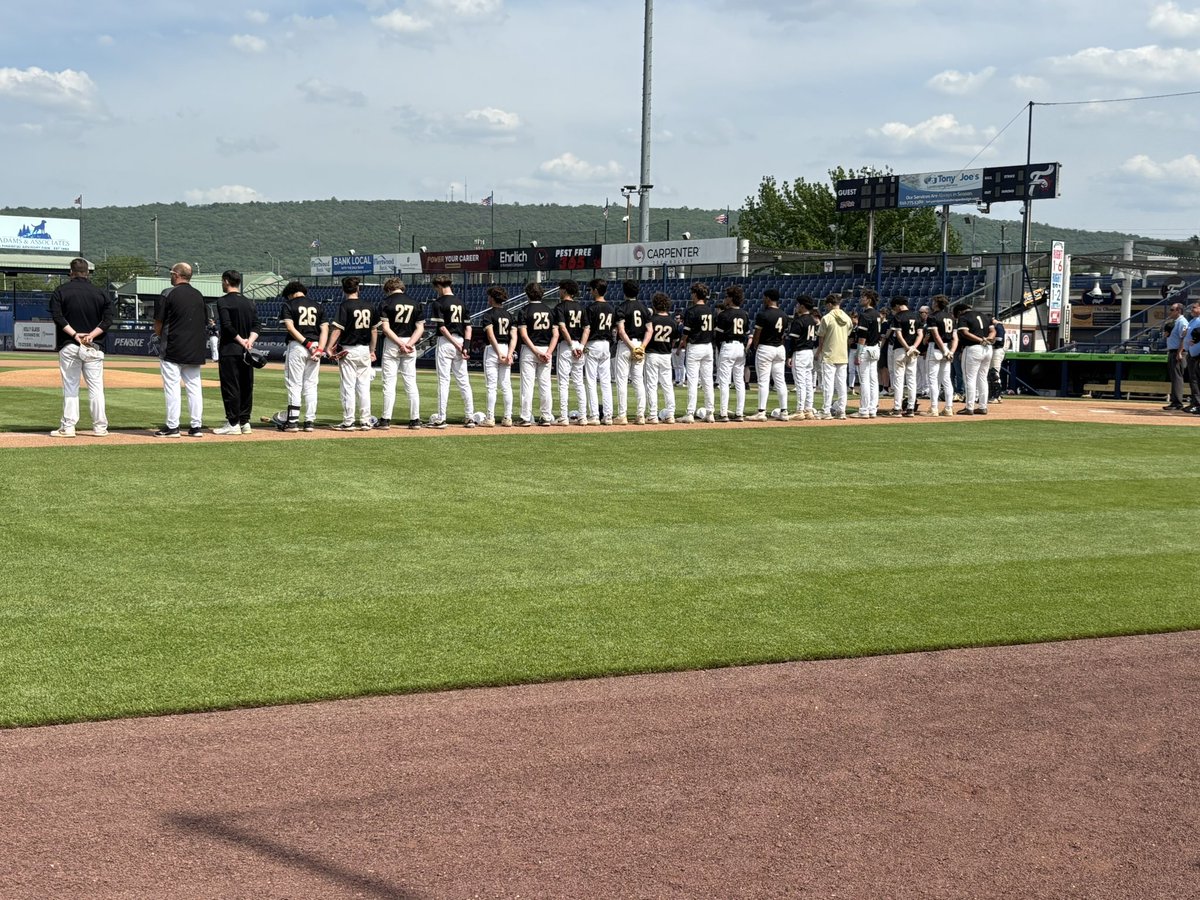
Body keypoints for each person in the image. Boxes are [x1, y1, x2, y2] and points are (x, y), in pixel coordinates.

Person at [48, 257, 112, 437]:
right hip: (93, 345)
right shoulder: (100, 293)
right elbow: (108, 320)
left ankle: (68, 427)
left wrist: (76, 335)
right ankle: (100, 428)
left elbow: (58, 317)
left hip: (69, 344)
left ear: (71, 272)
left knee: (70, 387)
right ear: (87, 273)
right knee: (96, 388)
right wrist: (91, 335)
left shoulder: (61, 291)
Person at [154, 262, 207, 437]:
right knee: (194, 387)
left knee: (172, 387)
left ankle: (172, 426)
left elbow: (159, 322)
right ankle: (196, 426)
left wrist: (159, 335)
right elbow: (205, 321)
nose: (170, 276)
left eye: (171, 274)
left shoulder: (168, 293)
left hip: (173, 346)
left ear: (176, 275)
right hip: (195, 347)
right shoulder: (199, 295)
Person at [326, 275, 379, 430]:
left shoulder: (344, 306)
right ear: (358, 289)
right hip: (364, 349)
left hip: (348, 350)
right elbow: (374, 330)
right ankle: (365, 420)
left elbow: (337, 329)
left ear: (343, 290)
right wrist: (372, 350)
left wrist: (329, 347)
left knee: (348, 386)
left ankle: (348, 421)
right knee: (363, 387)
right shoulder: (369, 305)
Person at [212, 270, 260, 435]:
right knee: (246, 385)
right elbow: (257, 325)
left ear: (226, 281)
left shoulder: (223, 301)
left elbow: (227, 325)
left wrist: (240, 340)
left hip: (230, 349)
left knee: (231, 386)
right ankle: (245, 422)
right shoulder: (249, 302)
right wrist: (249, 341)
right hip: (248, 351)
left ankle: (233, 423)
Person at [427, 274, 476, 428]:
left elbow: (442, 327)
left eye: (436, 288)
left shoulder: (438, 303)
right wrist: (465, 346)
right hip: (461, 342)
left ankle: (441, 418)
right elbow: (468, 327)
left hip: (447, 342)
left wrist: (455, 344)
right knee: (463, 381)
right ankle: (469, 417)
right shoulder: (461, 303)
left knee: (444, 380)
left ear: (439, 287)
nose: (436, 291)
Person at [279, 280, 327, 433]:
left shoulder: (289, 304)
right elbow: (325, 329)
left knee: (294, 384)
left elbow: (290, 327)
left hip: (299, 346)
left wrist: (306, 344)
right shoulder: (317, 305)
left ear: (291, 293)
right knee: (311, 385)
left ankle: (292, 422)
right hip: (315, 346)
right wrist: (319, 349)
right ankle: (309, 421)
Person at [377, 277, 425, 430]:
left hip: (393, 343)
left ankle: (385, 419)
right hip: (410, 342)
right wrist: (409, 344)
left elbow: (385, 328)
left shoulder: (386, 302)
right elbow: (420, 328)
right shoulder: (415, 303)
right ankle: (415, 419)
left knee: (389, 383)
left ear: (388, 289)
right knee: (411, 383)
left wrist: (400, 344)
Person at [517, 281, 558, 427]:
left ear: (527, 294)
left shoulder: (524, 310)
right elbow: (555, 334)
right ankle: (546, 416)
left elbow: (523, 335)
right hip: (547, 348)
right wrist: (548, 352)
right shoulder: (550, 310)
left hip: (530, 350)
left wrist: (535, 351)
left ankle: (525, 417)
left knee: (527, 385)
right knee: (545, 384)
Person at [746, 288, 788, 421]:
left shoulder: (763, 314)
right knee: (780, 381)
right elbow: (783, 335)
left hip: (766, 347)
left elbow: (757, 334)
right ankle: (784, 411)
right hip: (779, 348)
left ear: (769, 298)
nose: (763, 300)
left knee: (763, 381)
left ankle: (761, 412)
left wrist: (756, 346)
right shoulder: (784, 314)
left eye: (765, 297)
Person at [613, 279, 651, 425]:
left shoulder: (621, 307)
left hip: (626, 345)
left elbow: (621, 331)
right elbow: (650, 330)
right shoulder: (644, 308)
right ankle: (640, 415)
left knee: (622, 381)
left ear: (624, 292)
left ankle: (622, 415)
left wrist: (631, 347)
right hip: (640, 343)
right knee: (638, 380)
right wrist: (642, 347)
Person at [579, 278, 615, 425]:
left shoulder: (591, 308)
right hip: (606, 345)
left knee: (591, 381)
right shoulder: (611, 308)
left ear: (595, 290)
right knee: (606, 382)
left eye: (591, 289)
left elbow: (587, 330)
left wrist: (581, 346)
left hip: (593, 344)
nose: (590, 291)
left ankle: (594, 415)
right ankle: (608, 416)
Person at [678, 282, 716, 423]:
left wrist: (682, 342)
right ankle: (710, 412)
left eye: (692, 293)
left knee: (693, 381)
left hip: (695, 346)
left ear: (695, 294)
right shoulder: (710, 310)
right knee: (707, 381)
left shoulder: (692, 310)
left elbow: (686, 332)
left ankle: (689, 413)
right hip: (708, 347)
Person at [480, 285, 518, 427]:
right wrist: (509, 354)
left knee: (491, 387)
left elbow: (490, 336)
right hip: (506, 348)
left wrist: (499, 353)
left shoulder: (488, 315)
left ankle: (490, 418)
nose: (488, 299)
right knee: (506, 386)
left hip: (493, 350)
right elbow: (514, 336)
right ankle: (508, 418)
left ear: (492, 298)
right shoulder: (510, 315)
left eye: (489, 296)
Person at [714, 284, 751, 422]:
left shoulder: (724, 314)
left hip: (728, 346)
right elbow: (748, 334)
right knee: (739, 381)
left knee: (724, 381)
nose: (725, 299)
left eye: (726, 297)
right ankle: (739, 413)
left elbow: (718, 336)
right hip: (740, 347)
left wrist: (720, 348)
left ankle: (723, 413)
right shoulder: (744, 313)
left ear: (731, 298)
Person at [553, 279, 586, 425]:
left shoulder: (560, 307)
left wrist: (572, 345)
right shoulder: (581, 307)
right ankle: (583, 416)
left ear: (565, 290)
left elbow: (562, 328)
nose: (559, 291)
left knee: (564, 383)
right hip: (579, 346)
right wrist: (581, 346)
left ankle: (563, 417)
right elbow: (587, 328)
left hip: (567, 346)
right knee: (579, 383)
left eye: (561, 289)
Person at [954, 301, 995, 415]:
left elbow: (965, 332)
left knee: (969, 379)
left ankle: (969, 407)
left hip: (973, 348)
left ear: (959, 312)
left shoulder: (963, 317)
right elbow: (993, 331)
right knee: (982, 378)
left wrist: (980, 340)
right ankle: (983, 406)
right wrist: (987, 339)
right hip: (987, 348)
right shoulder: (984, 315)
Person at [816, 293, 853, 420]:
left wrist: (818, 352)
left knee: (828, 384)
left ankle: (826, 410)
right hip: (842, 354)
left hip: (829, 354)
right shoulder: (847, 318)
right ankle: (841, 410)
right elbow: (848, 335)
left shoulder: (826, 318)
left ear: (830, 304)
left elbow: (821, 338)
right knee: (842, 384)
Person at [886, 296, 922, 417]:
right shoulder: (917, 315)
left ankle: (897, 408)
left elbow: (899, 335)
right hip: (913, 350)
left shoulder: (898, 316)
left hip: (901, 350)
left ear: (897, 305)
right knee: (912, 379)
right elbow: (920, 334)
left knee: (899, 379)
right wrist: (913, 347)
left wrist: (907, 347)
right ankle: (911, 408)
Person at [645, 292, 676, 423]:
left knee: (652, 385)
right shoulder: (672, 321)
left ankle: (652, 414)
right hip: (666, 354)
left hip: (652, 353)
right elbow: (674, 340)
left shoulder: (652, 320)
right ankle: (670, 414)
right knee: (667, 384)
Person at [786, 295, 819, 420]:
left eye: (798, 305)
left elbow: (792, 341)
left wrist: (789, 356)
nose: (796, 307)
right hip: (809, 352)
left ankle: (800, 410)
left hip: (800, 353)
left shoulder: (798, 321)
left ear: (802, 306)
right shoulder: (812, 320)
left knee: (800, 383)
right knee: (808, 383)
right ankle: (808, 409)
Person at [924, 294, 957, 417]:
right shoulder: (951, 317)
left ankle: (934, 408)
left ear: (937, 304)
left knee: (933, 380)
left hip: (936, 348)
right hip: (947, 348)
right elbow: (955, 338)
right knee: (946, 380)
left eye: (933, 302)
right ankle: (948, 408)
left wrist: (944, 350)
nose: (932, 304)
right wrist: (950, 351)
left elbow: (936, 336)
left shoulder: (932, 316)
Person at [852, 289, 882, 419]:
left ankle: (864, 410)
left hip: (866, 348)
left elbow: (862, 337)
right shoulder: (877, 314)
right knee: (873, 380)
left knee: (864, 381)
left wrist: (858, 354)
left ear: (869, 299)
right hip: (875, 348)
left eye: (863, 297)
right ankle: (872, 408)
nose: (861, 299)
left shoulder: (865, 315)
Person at [1163, 302, 1190, 410]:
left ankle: (1177, 403)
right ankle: (1175, 401)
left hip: (1178, 352)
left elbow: (1184, 338)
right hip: (1172, 351)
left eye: (1172, 309)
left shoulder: (1182, 322)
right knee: (1174, 377)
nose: (1170, 311)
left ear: (1178, 311)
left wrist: (1179, 352)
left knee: (1177, 377)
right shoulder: (1174, 322)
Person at [1182, 302, 1200, 414]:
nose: (1192, 309)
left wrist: (1196, 339)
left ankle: (1197, 404)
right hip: (1192, 353)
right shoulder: (1193, 320)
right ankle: (1195, 403)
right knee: (1193, 380)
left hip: (1198, 355)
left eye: (1194, 307)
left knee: (1196, 380)